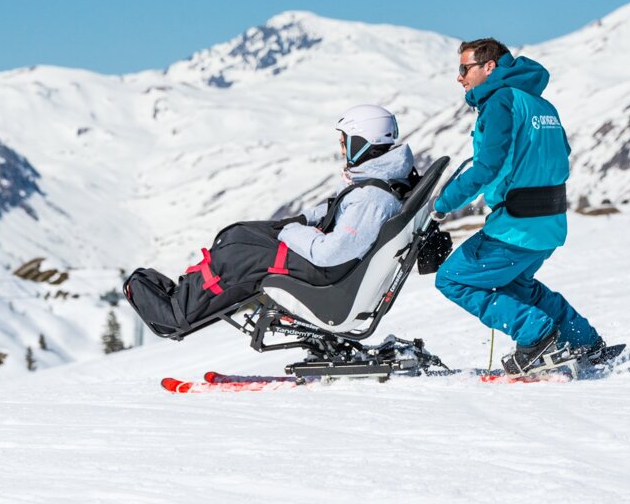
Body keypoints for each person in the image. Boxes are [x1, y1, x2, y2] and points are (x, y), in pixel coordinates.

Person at [126, 104, 417, 338]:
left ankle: (177, 315)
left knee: (238, 254)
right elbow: (340, 212)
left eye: (345, 142)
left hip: (327, 274)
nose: (342, 150)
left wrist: (290, 230)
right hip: (334, 270)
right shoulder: (379, 182)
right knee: (240, 234)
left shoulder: (372, 199)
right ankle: (187, 293)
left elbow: (331, 252)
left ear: (362, 142)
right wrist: (301, 219)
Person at [431, 38, 606, 375]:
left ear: (489, 67)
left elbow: (487, 167)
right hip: (549, 223)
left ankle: (537, 336)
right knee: (516, 287)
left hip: (516, 225)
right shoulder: (541, 105)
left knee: (453, 279)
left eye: (464, 68)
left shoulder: (500, 102)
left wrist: (441, 205)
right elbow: (560, 155)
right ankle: (583, 340)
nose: (459, 77)